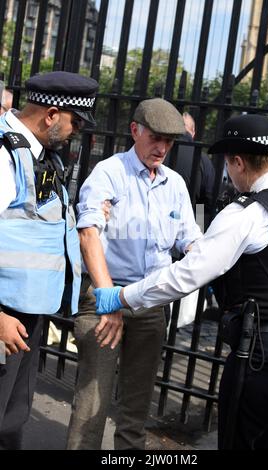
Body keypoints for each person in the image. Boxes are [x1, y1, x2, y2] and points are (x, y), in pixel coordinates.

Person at [94, 114, 268, 450]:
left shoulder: (248, 213)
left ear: (237, 161)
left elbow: (187, 274)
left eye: (228, 165)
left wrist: (122, 297)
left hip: (260, 358)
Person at [66, 98, 201, 450]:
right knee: (92, 402)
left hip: (150, 303)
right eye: (155, 137)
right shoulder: (110, 172)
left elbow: (191, 239)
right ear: (134, 130)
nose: (161, 148)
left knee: (137, 405)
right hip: (104, 295)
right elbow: (87, 232)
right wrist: (107, 297)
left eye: (169, 142)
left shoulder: (176, 184)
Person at [0, 71, 99, 450]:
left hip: (26, 316)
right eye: (75, 122)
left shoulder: (41, 158)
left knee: (12, 419)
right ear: (52, 114)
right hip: (6, 317)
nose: (76, 131)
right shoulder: (5, 154)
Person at [164, 111, 215, 228]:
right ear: (193, 133)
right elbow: (207, 201)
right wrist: (199, 229)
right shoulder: (203, 159)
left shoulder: (160, 151)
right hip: (185, 226)